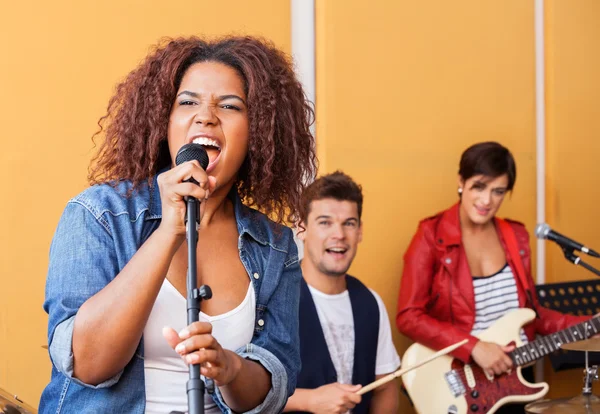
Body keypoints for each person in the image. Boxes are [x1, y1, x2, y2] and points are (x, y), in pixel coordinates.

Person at [39, 36, 317, 414]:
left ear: (259, 132)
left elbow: (274, 388)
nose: (206, 116)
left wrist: (230, 369)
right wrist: (169, 231)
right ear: (163, 121)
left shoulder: (275, 247)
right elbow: (87, 365)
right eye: (187, 102)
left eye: (231, 106)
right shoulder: (98, 215)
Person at [396, 141, 590, 413]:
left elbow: (531, 314)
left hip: (516, 379)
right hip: (462, 384)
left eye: (498, 191)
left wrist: (590, 325)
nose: (487, 201)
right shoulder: (431, 236)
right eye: (479, 186)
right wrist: (473, 347)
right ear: (461, 181)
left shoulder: (516, 237)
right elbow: (409, 316)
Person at [284, 171, 400, 414]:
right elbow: (243, 394)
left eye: (349, 223)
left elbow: (385, 387)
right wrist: (309, 400)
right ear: (301, 228)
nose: (339, 234)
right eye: (325, 222)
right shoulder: (274, 297)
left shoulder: (370, 303)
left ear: (359, 232)